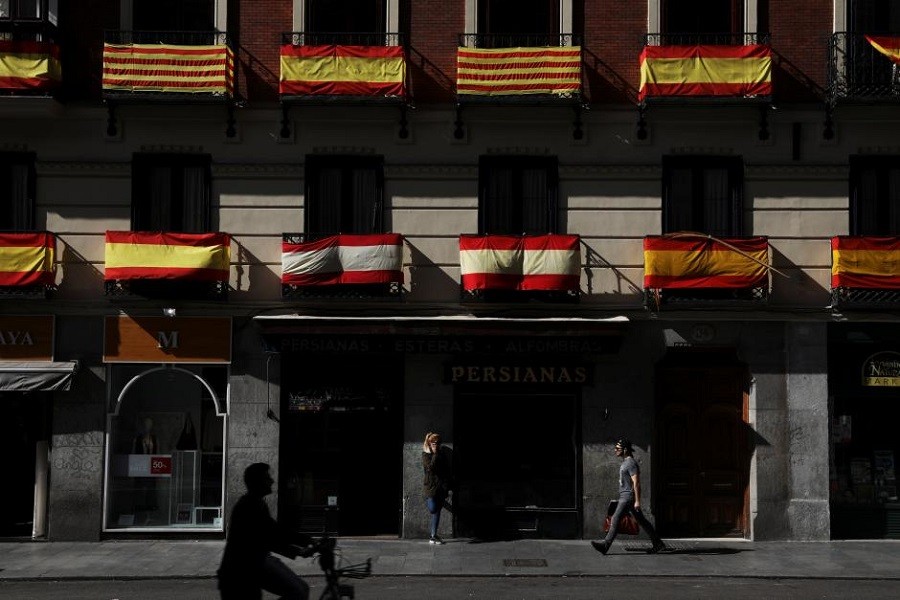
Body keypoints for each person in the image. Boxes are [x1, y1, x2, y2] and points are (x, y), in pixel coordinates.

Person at [218, 462, 313, 600]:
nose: (272, 480)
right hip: (239, 575)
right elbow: (268, 540)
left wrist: (307, 540)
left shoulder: (258, 503)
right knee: (298, 591)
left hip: (252, 566)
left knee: (301, 589)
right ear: (258, 482)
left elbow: (276, 530)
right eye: (267, 478)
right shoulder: (248, 507)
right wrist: (299, 550)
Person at [591, 438, 667, 555]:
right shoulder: (626, 462)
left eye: (617, 449)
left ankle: (605, 545)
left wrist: (637, 501)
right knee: (642, 521)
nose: (615, 450)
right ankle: (658, 544)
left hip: (628, 497)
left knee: (615, 518)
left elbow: (636, 482)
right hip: (625, 496)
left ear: (625, 450)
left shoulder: (631, 463)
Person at [422, 431, 451, 545]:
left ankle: (433, 536)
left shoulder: (442, 453)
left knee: (437, 511)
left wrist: (447, 485)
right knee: (433, 509)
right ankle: (433, 536)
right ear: (429, 443)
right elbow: (430, 469)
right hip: (430, 487)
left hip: (441, 487)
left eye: (437, 442)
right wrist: (434, 455)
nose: (436, 444)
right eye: (433, 442)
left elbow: (447, 470)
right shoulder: (426, 455)